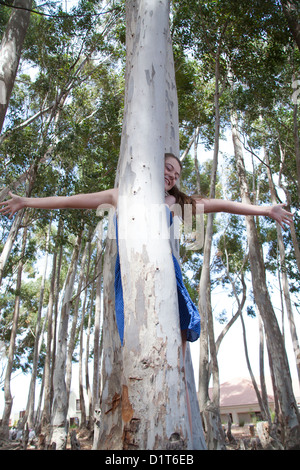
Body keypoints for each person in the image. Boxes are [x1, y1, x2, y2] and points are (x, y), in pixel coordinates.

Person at [0, 153, 293, 439]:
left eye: (177, 175)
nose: (172, 176)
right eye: (168, 169)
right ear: (154, 166)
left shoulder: (177, 202)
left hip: (165, 271)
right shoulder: (121, 194)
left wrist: (266, 210)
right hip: (129, 275)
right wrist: (25, 201)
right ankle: (141, 423)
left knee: (178, 338)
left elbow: (223, 206)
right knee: (136, 345)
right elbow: (70, 201)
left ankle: (182, 430)